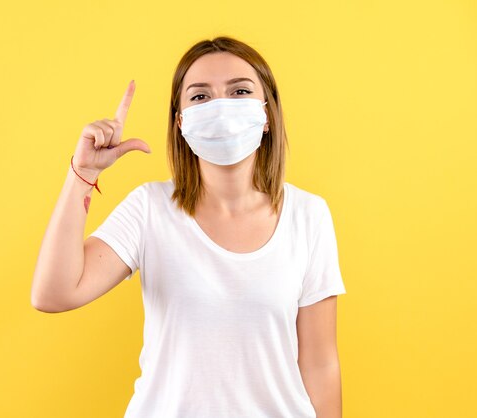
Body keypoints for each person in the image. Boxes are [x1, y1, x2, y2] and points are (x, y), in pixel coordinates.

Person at [31, 36, 347, 418]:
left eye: (240, 91)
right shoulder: (150, 209)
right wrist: (82, 173)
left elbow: (320, 364)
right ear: (180, 122)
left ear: (267, 116)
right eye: (200, 97)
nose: (221, 107)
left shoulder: (308, 216)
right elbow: (53, 293)